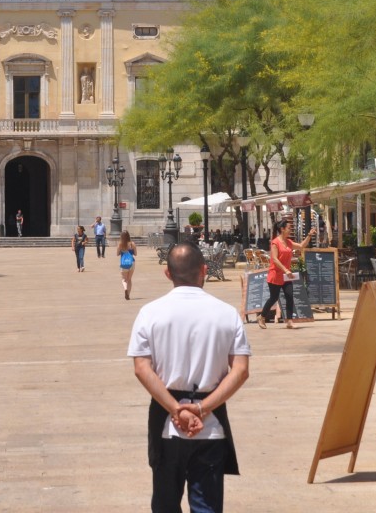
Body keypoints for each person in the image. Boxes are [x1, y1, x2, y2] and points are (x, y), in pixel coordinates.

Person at [128, 238, 251, 513]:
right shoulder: (227, 314)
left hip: (166, 421)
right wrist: (201, 408)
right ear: (204, 270)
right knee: (207, 506)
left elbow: (141, 368)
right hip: (211, 422)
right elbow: (241, 370)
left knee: (165, 504)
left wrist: (176, 409)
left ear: (167, 273)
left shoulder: (150, 313)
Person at [258, 219, 311, 330]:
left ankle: (289, 321)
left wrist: (309, 235)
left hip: (286, 276)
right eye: (288, 228)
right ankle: (262, 317)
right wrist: (285, 270)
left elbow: (301, 246)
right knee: (274, 298)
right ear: (282, 229)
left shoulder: (289, 242)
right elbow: (275, 260)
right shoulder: (275, 243)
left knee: (289, 296)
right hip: (275, 274)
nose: (290, 230)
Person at [118, 231, 137, 300]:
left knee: (124, 279)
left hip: (123, 263)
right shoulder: (132, 244)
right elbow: (135, 254)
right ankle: (128, 294)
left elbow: (117, 254)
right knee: (129, 279)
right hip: (132, 263)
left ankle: (125, 289)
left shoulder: (120, 244)